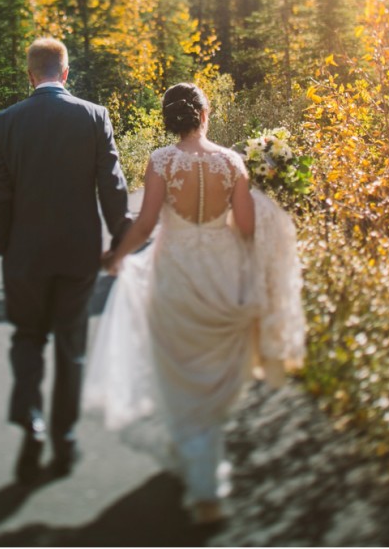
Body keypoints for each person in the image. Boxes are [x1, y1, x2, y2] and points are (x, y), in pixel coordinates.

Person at [85, 82, 306, 524]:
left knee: (178, 367)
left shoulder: (161, 162)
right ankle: (202, 466)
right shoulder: (232, 162)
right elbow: (245, 227)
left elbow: (146, 223)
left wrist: (117, 255)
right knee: (213, 375)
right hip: (223, 276)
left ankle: (200, 477)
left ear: (172, 119)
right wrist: (267, 205)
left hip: (176, 275)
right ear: (205, 115)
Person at [0, 37, 131, 485]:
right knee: (71, 346)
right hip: (77, 252)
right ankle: (64, 440)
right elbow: (112, 184)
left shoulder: (5, 122)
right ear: (65, 73)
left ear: (30, 75)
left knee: (28, 337)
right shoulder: (93, 116)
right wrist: (120, 243)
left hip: (24, 253)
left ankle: (31, 419)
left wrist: (4, 244)